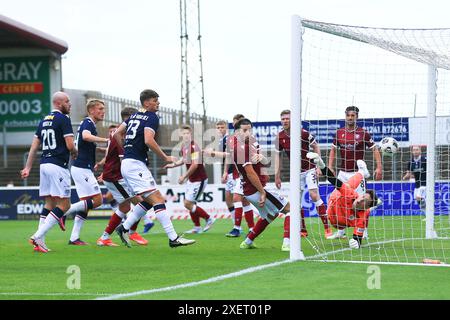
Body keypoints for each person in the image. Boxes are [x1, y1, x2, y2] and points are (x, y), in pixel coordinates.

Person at [114, 89, 195, 248]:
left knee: (149, 201)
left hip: (129, 163)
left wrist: (126, 149)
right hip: (135, 164)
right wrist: (165, 157)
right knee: (157, 198)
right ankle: (173, 238)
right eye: (154, 100)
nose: (158, 102)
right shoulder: (152, 117)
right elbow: (149, 140)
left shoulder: (134, 115)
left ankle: (123, 228)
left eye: (158, 100)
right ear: (146, 102)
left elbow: (117, 133)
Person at [21, 91, 78, 253]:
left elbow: (34, 146)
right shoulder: (63, 119)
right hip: (58, 165)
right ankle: (37, 236)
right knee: (65, 204)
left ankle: (41, 243)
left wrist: (27, 167)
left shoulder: (43, 120)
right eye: (67, 101)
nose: (70, 104)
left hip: (44, 165)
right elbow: (69, 144)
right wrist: (75, 152)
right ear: (59, 103)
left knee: (50, 203)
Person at [274, 109, 332, 251]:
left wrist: (319, 165)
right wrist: (277, 174)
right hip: (295, 172)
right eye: (283, 119)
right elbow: (278, 156)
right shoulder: (279, 137)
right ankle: (302, 229)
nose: (285, 121)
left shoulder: (303, 133)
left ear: (292, 119)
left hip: (310, 169)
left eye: (287, 118)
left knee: (313, 195)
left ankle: (327, 228)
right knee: (296, 202)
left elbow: (315, 146)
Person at [229, 118, 290, 249]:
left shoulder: (252, 142)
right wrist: (262, 192)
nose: (248, 133)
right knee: (290, 210)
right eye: (245, 130)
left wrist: (263, 159)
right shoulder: (240, 148)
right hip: (255, 189)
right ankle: (287, 244)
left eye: (250, 130)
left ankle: (248, 241)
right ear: (237, 132)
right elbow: (250, 173)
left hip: (251, 190)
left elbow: (266, 163)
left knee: (271, 215)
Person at [96, 107, 151, 247]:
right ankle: (131, 232)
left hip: (113, 175)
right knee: (140, 203)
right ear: (129, 118)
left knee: (125, 207)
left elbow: (110, 154)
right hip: (116, 177)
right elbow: (122, 161)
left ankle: (105, 237)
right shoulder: (121, 135)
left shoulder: (120, 133)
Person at [327, 105, 382, 239]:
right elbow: (333, 150)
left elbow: (374, 149)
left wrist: (379, 167)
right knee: (339, 200)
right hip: (342, 173)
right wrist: (330, 167)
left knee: (362, 203)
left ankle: (364, 232)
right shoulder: (339, 133)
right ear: (345, 116)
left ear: (357, 117)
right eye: (348, 115)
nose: (350, 118)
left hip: (357, 174)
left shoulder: (363, 133)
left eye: (353, 115)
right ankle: (341, 232)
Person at [60, 99, 109, 245]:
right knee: (97, 200)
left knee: (86, 204)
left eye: (103, 109)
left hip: (80, 167)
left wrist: (99, 148)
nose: (103, 111)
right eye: (100, 109)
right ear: (91, 110)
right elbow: (86, 137)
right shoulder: (88, 123)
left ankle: (74, 237)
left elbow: (84, 142)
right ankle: (62, 212)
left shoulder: (88, 123)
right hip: (81, 168)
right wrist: (105, 140)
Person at [307, 152, 378, 249]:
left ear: (365, 207)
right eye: (363, 197)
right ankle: (361, 171)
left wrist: (356, 243)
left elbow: (357, 238)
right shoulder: (351, 194)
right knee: (349, 184)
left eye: (365, 201)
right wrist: (321, 164)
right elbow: (333, 179)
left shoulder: (361, 217)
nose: (360, 199)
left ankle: (362, 172)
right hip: (335, 199)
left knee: (362, 218)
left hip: (338, 223)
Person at [204, 114, 257, 237]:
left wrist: (212, 153)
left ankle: (238, 227)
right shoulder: (230, 139)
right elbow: (229, 157)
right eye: (234, 123)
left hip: (241, 173)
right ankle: (249, 228)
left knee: (238, 199)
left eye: (238, 123)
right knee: (236, 200)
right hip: (234, 173)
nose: (235, 125)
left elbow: (228, 155)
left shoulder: (243, 139)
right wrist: (225, 172)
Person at [164, 125, 215, 233]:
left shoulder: (193, 147)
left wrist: (184, 176)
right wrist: (172, 165)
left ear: (191, 134)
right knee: (190, 203)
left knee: (188, 203)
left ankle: (209, 218)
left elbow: (195, 165)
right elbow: (183, 159)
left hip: (199, 180)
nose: (186, 135)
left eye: (188, 133)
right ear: (181, 135)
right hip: (192, 180)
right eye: (184, 134)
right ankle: (197, 227)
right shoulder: (184, 146)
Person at [402, 145, 427, 215]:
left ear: (420, 151)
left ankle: (429, 215)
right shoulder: (410, 162)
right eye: (414, 150)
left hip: (425, 183)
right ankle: (427, 215)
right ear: (412, 151)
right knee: (418, 200)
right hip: (417, 184)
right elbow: (409, 173)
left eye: (417, 150)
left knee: (418, 197)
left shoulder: (425, 159)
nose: (415, 151)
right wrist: (404, 177)